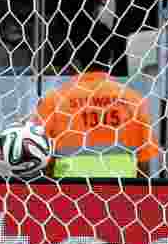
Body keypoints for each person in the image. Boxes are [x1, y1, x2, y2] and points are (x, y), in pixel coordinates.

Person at [32, 41, 160, 178]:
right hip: (121, 190)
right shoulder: (132, 99)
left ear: (73, 60)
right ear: (110, 59)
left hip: (69, 191)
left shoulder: (54, 100)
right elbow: (144, 161)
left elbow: (39, 155)